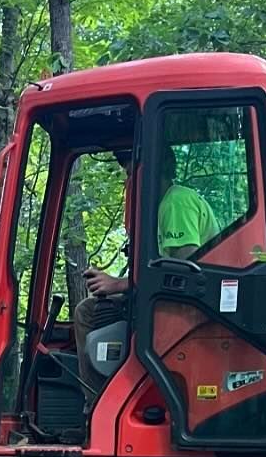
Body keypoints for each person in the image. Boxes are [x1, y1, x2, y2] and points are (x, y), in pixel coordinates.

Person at [73, 146, 221, 401]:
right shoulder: (162, 206)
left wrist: (119, 285)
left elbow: (183, 273)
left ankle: (98, 404)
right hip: (171, 300)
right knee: (90, 310)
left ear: (154, 169)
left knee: (87, 312)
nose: (130, 182)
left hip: (192, 307)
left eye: (133, 173)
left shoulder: (177, 202)